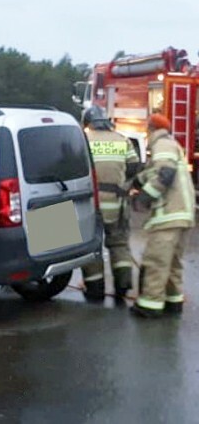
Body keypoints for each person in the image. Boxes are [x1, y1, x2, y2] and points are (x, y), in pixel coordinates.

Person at [131, 113, 195, 318]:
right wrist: (135, 183)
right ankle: (173, 301)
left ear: (151, 129)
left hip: (168, 214)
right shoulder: (170, 144)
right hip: (182, 214)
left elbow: (164, 175)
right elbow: (152, 172)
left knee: (156, 260)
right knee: (173, 262)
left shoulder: (162, 145)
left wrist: (143, 197)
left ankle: (150, 305)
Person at [80, 105, 141, 302]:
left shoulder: (83, 139)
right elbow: (134, 168)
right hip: (117, 204)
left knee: (91, 246)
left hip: (91, 204)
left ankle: (95, 290)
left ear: (88, 122)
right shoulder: (122, 140)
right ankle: (122, 287)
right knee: (119, 244)